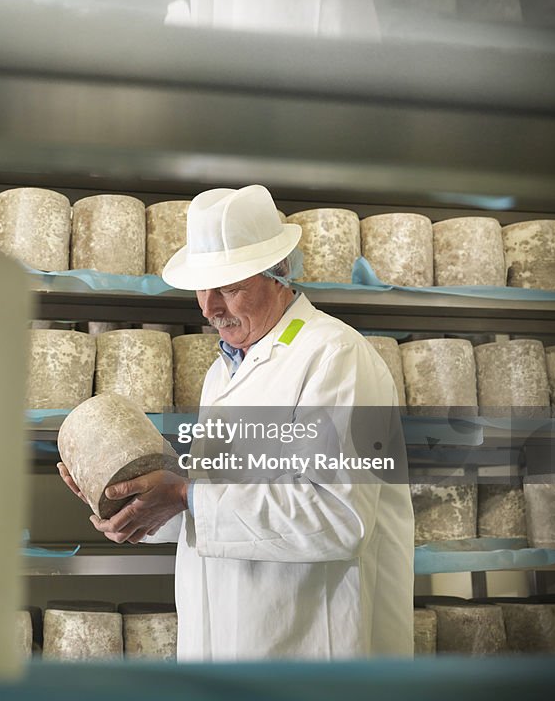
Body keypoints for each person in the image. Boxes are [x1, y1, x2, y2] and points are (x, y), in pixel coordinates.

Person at [58, 185, 414, 660]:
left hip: (308, 653)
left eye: (229, 288)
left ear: (279, 274)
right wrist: (141, 504)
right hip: (225, 649)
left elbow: (337, 518)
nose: (208, 308)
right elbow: (219, 508)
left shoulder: (335, 357)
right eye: (202, 288)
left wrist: (185, 495)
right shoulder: (224, 370)